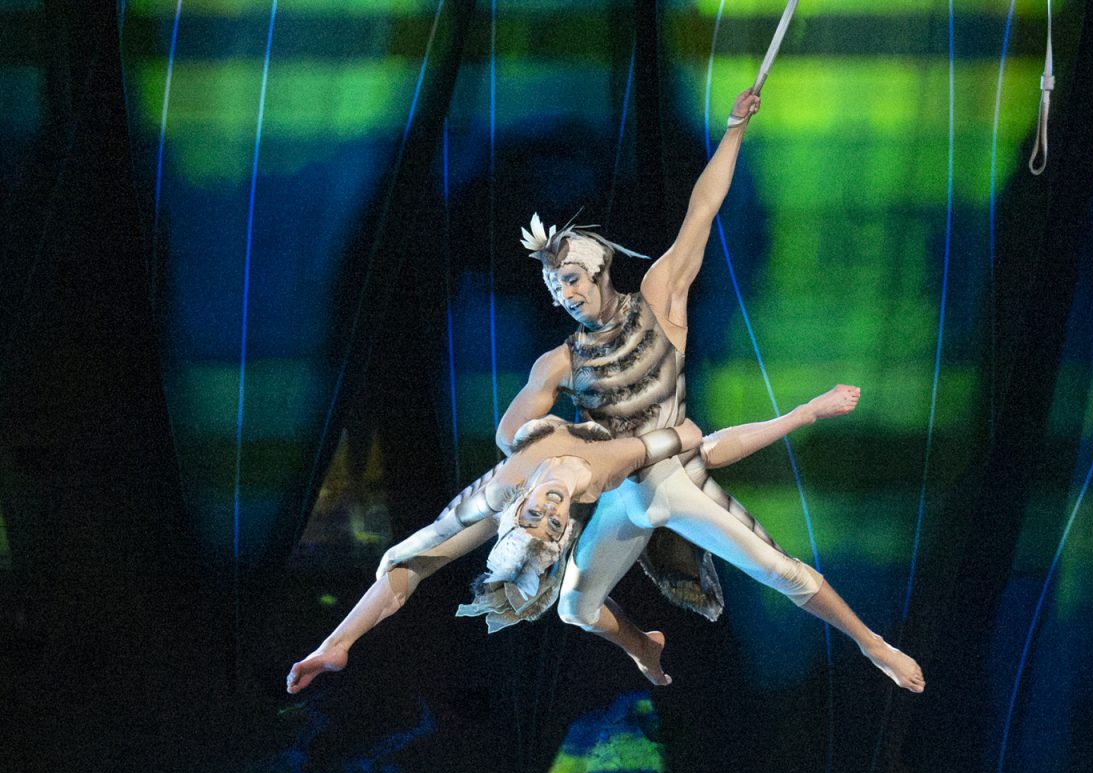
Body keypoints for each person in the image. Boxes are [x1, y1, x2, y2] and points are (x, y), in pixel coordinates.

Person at [499, 88, 925, 693]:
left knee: (785, 574)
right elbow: (509, 436)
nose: (564, 295)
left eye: (570, 279)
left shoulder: (658, 299)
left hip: (677, 479)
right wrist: (561, 443)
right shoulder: (559, 363)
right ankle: (643, 645)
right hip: (626, 495)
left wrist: (732, 131)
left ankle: (872, 644)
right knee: (573, 608)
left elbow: (702, 210)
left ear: (597, 271)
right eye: (554, 289)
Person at [287, 398, 851, 693]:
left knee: (569, 603)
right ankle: (641, 642)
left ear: (519, 509)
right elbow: (693, 441)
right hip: (619, 483)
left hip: (542, 467)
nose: (550, 508)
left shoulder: (506, 478)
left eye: (538, 511)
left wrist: (338, 641)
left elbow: (399, 564)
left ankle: (642, 646)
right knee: (639, 512)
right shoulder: (603, 471)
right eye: (552, 522)